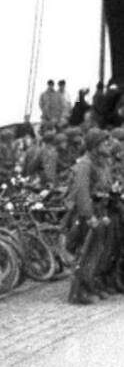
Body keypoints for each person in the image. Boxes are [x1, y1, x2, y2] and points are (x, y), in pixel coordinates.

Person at [65, 128, 112, 304]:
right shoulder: (85, 164)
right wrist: (89, 215)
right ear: (94, 145)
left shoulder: (99, 162)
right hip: (87, 214)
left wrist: (103, 214)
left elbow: (103, 189)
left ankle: (89, 285)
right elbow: (82, 192)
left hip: (99, 210)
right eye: (103, 143)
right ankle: (78, 293)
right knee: (85, 254)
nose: (107, 146)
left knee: (96, 253)